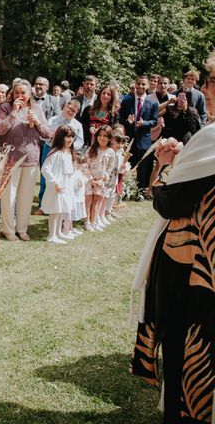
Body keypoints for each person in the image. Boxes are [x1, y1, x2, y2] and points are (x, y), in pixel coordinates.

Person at [130, 125, 215, 423]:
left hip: (193, 271)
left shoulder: (211, 138)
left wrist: (166, 166)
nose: (205, 89)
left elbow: (170, 202)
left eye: (209, 81)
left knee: (186, 354)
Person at [0, 79, 52, 241]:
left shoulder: (36, 109)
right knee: (9, 197)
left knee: (26, 198)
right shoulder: (6, 108)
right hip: (10, 158)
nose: (19, 96)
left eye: (23, 93)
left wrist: (38, 122)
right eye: (16, 93)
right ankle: (9, 231)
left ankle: (22, 229)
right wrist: (14, 112)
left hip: (31, 158)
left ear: (30, 94)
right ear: (12, 94)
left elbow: (48, 134)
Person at [37, 99, 83, 209]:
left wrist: (69, 147)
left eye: (74, 111)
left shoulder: (77, 125)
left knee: (63, 178)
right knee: (45, 176)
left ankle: (61, 203)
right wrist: (50, 136)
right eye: (70, 108)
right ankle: (42, 205)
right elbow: (42, 135)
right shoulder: (53, 120)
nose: (71, 112)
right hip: (50, 149)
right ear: (65, 106)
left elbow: (80, 141)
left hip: (66, 153)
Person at [119, 75, 158, 196]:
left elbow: (154, 120)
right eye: (138, 84)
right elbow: (121, 119)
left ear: (147, 86)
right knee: (126, 165)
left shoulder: (153, 103)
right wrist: (127, 121)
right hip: (129, 139)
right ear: (135, 85)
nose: (140, 86)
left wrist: (144, 123)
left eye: (143, 84)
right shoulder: (127, 101)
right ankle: (125, 191)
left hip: (144, 139)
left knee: (143, 167)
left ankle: (140, 192)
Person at [41, 125, 75, 244]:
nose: (70, 139)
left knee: (61, 210)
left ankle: (58, 232)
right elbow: (45, 169)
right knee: (55, 211)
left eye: (72, 137)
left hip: (66, 187)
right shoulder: (55, 154)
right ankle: (51, 235)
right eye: (67, 137)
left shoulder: (69, 153)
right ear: (61, 137)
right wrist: (55, 182)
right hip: (57, 188)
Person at [84, 125, 115, 232]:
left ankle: (94, 221)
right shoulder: (91, 150)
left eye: (105, 136)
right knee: (88, 200)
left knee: (97, 200)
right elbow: (85, 165)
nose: (102, 138)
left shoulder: (111, 152)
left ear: (110, 138)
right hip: (89, 180)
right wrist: (91, 179)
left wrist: (102, 180)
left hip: (101, 181)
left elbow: (110, 168)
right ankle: (87, 222)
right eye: (100, 135)